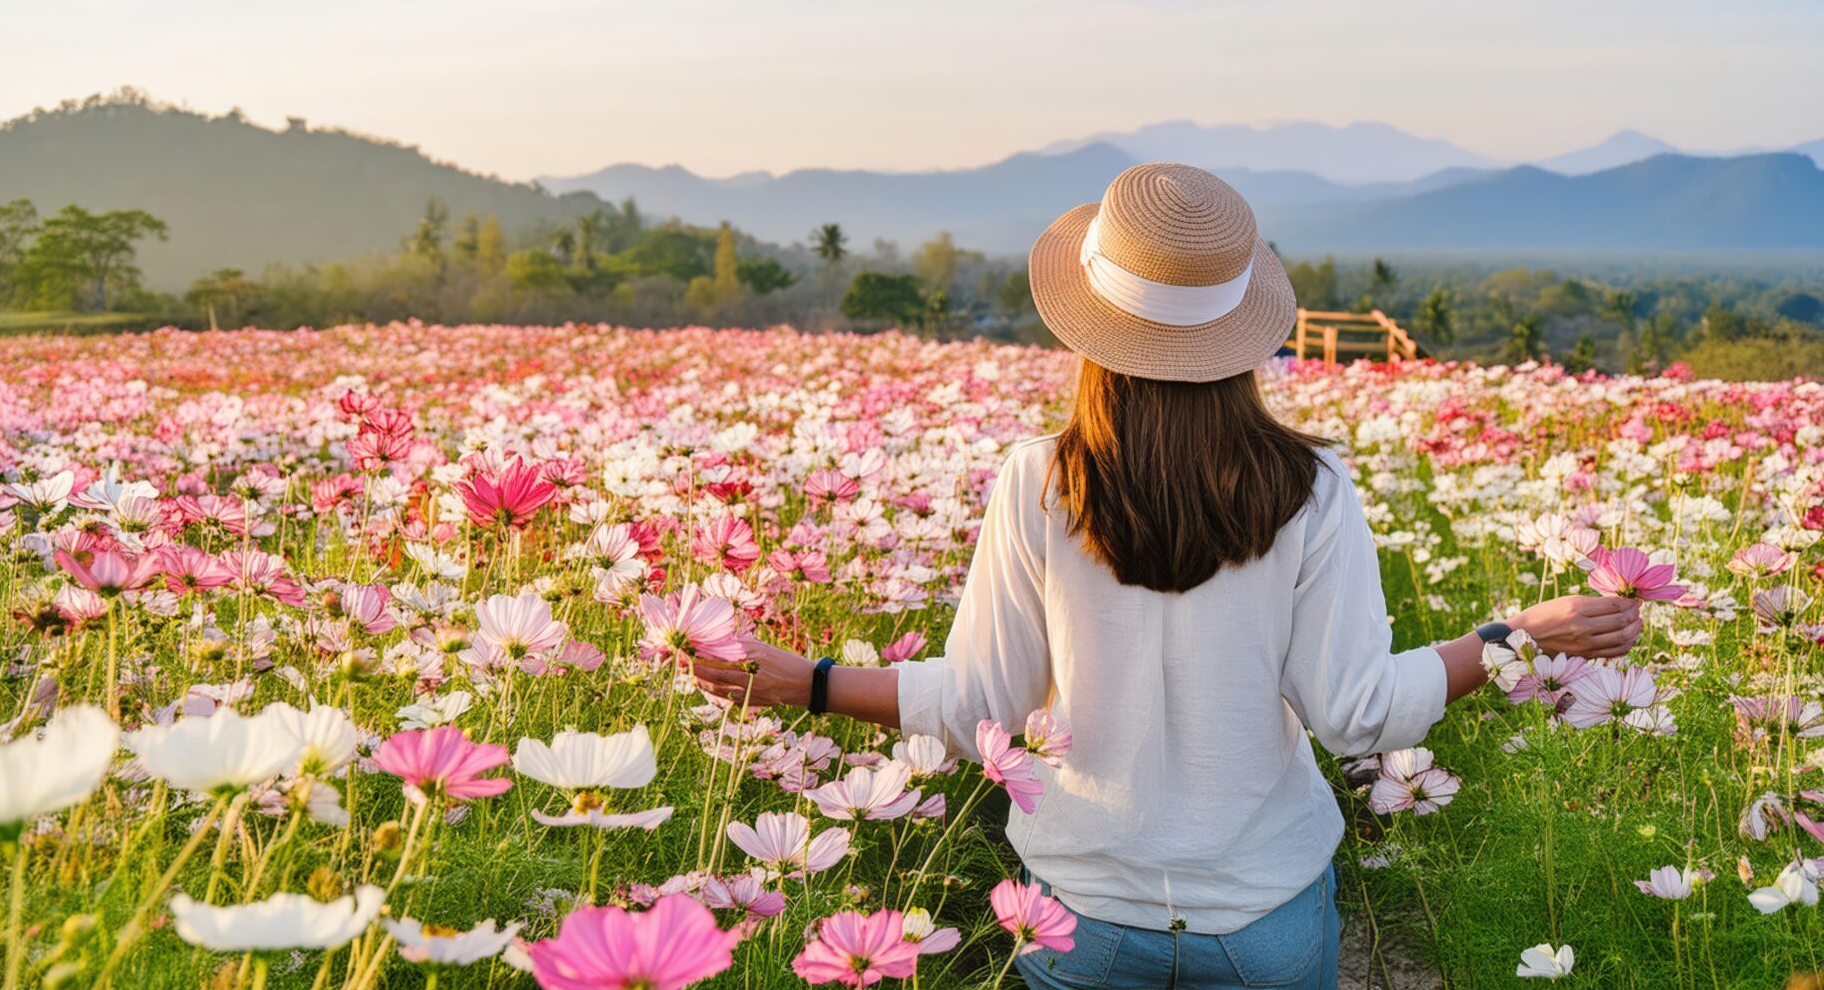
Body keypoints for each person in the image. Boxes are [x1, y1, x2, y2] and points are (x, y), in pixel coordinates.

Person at [695, 163, 1642, 989]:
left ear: (1090, 326)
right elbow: (1360, 714)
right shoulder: (1310, 487)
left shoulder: (1039, 479)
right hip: (1263, 914)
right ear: (1241, 333)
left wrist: (809, 682)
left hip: (1076, 918)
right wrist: (1520, 632)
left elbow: (980, 700)